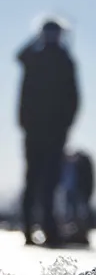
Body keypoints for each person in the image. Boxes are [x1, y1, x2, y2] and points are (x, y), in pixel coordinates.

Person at [16, 19, 80, 247]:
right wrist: (25, 123)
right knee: (33, 179)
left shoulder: (64, 60)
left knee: (50, 181)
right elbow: (19, 56)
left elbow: (73, 97)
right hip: (34, 130)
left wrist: (65, 123)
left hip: (55, 131)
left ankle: (49, 228)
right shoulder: (34, 58)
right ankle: (27, 227)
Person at [60, 149, 95, 245]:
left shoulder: (80, 165)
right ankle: (73, 233)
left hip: (78, 192)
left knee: (79, 214)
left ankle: (81, 234)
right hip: (69, 192)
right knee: (70, 215)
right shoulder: (66, 165)